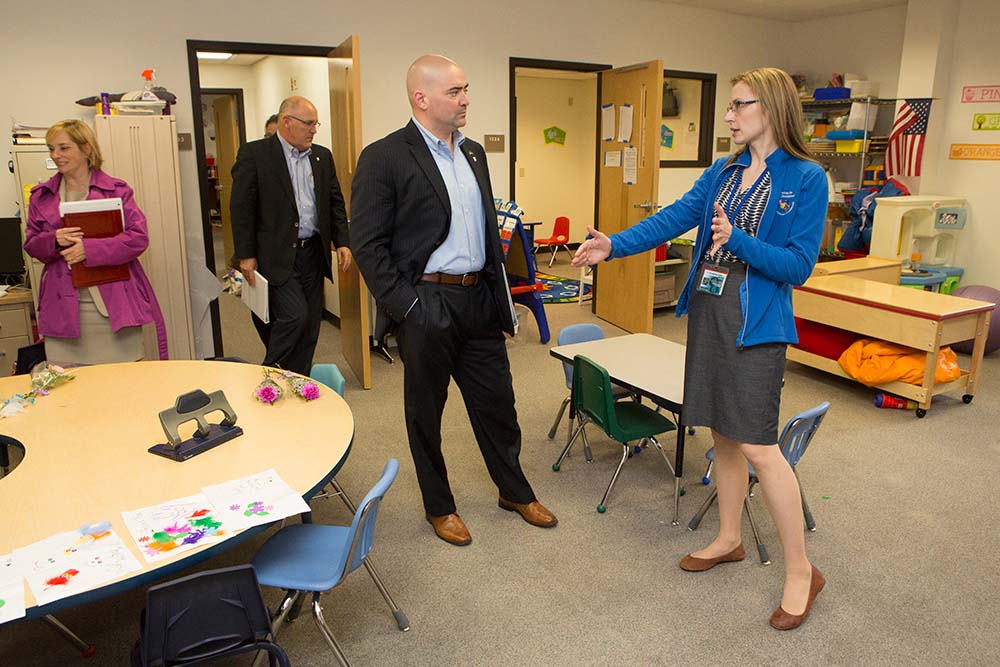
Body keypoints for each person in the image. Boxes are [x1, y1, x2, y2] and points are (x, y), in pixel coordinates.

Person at [573, 67, 826, 630]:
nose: (729, 117)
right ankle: (730, 537)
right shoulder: (725, 171)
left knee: (761, 447)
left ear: (772, 107)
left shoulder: (806, 179)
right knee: (724, 436)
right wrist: (614, 245)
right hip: (710, 318)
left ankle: (802, 571)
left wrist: (738, 240)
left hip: (756, 326)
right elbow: (673, 219)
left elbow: (799, 266)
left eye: (738, 105)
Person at [352, 55, 557, 546]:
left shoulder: (475, 154)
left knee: (498, 404)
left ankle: (514, 490)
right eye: (454, 91)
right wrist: (408, 307)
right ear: (421, 98)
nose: (466, 99)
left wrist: (502, 299)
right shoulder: (385, 156)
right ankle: (439, 506)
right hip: (426, 301)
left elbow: (487, 229)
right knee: (426, 412)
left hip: (477, 299)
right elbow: (368, 245)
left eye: (466, 89)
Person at [24, 119, 167, 365]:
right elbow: (32, 244)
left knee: (124, 384)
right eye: (51, 149)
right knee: (69, 387)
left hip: (112, 308)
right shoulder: (42, 196)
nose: (56, 155)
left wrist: (88, 250)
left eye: (63, 148)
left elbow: (138, 237)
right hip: (63, 310)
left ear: (86, 149)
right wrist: (54, 240)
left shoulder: (116, 190)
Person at [231, 96, 351, 375]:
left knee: (310, 326)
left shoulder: (322, 156)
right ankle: (268, 375)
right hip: (275, 253)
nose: (313, 130)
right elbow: (241, 208)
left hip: (313, 253)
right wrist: (245, 254)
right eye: (308, 123)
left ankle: (298, 381)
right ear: (287, 122)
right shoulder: (256, 154)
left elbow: (334, 201)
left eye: (315, 124)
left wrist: (342, 240)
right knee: (294, 316)